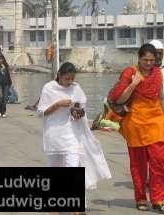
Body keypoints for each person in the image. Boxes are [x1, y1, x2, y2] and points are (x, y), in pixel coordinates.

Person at [36, 62, 111, 213]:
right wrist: (58, 104)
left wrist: (78, 113)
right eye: (67, 79)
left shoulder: (76, 89)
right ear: (59, 75)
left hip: (71, 134)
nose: (69, 82)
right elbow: (41, 112)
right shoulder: (49, 88)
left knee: (74, 168)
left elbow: (82, 111)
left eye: (72, 79)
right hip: (54, 135)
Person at [108, 43, 164, 213]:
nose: (149, 63)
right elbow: (120, 100)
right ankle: (141, 198)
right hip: (135, 122)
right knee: (138, 165)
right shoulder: (130, 73)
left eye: (152, 60)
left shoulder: (158, 74)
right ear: (139, 58)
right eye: (145, 60)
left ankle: (158, 200)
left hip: (156, 121)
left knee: (160, 162)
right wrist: (134, 83)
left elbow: (161, 99)